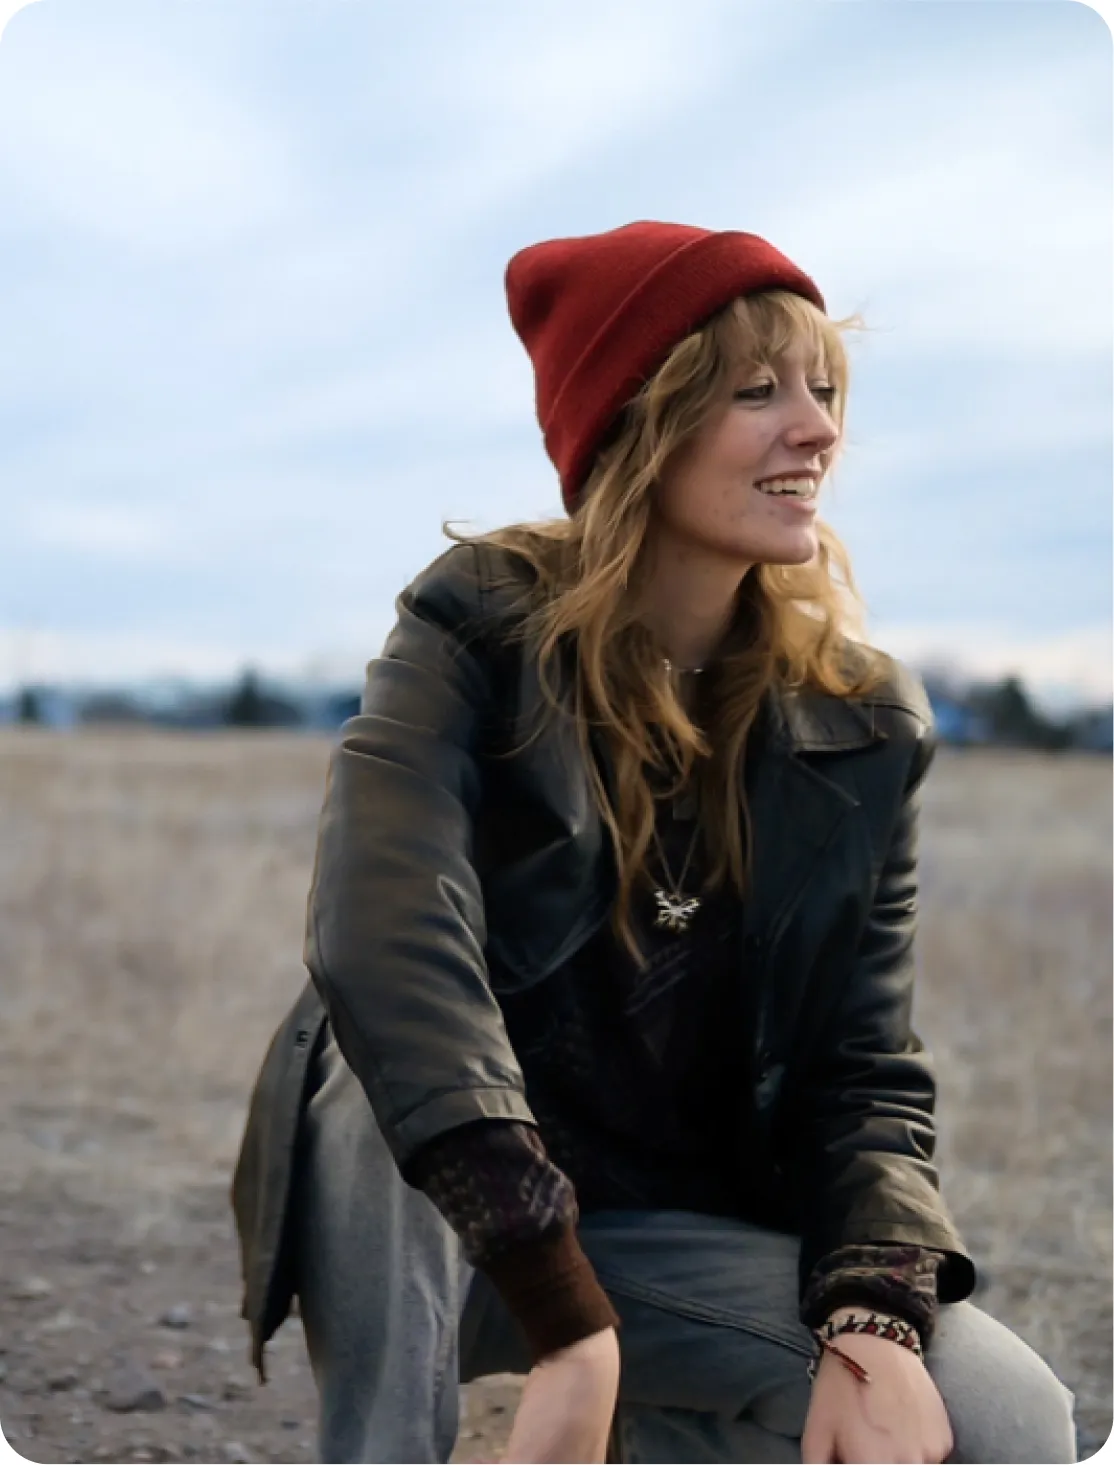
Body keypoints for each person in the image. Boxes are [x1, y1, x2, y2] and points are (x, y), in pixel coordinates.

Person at [231, 221, 1078, 1464]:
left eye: (823, 390)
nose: (818, 430)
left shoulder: (862, 723)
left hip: (659, 1224)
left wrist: (876, 1312)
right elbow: (382, 940)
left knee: (1007, 1422)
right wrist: (568, 1323)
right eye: (758, 391)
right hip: (446, 1203)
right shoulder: (470, 628)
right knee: (369, 1062)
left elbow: (860, 1062)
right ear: (640, 421)